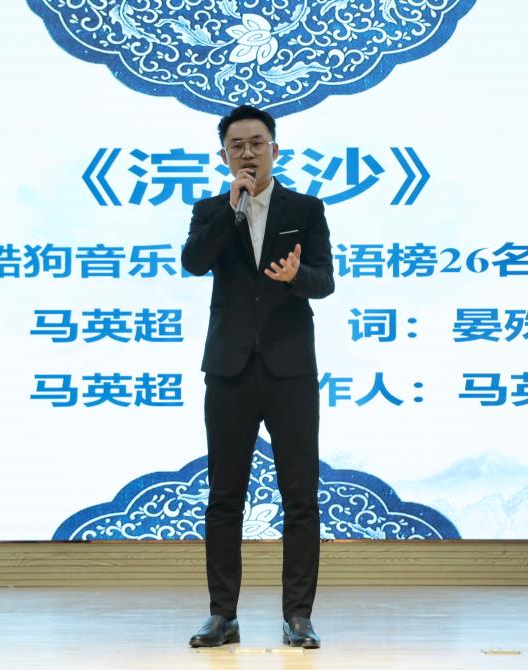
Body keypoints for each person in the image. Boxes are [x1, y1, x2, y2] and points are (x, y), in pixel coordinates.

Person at [181, 105, 335, 649]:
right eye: (237, 145)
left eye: (257, 142)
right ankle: (222, 615)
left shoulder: (306, 209)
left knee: (300, 498)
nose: (247, 152)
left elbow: (325, 282)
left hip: (290, 371)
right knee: (225, 497)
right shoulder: (210, 210)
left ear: (276, 148)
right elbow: (194, 262)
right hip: (229, 370)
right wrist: (231, 210)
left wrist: (296, 277)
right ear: (223, 155)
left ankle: (298, 616)